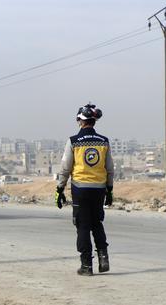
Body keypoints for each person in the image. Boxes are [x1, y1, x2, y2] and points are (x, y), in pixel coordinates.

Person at [56, 103, 114, 276]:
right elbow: (110, 168)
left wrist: (59, 189)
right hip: (99, 189)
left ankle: (86, 265)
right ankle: (104, 258)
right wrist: (109, 190)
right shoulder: (104, 141)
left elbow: (65, 168)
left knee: (82, 225)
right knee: (97, 223)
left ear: (80, 121)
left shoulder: (73, 141)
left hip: (80, 189)